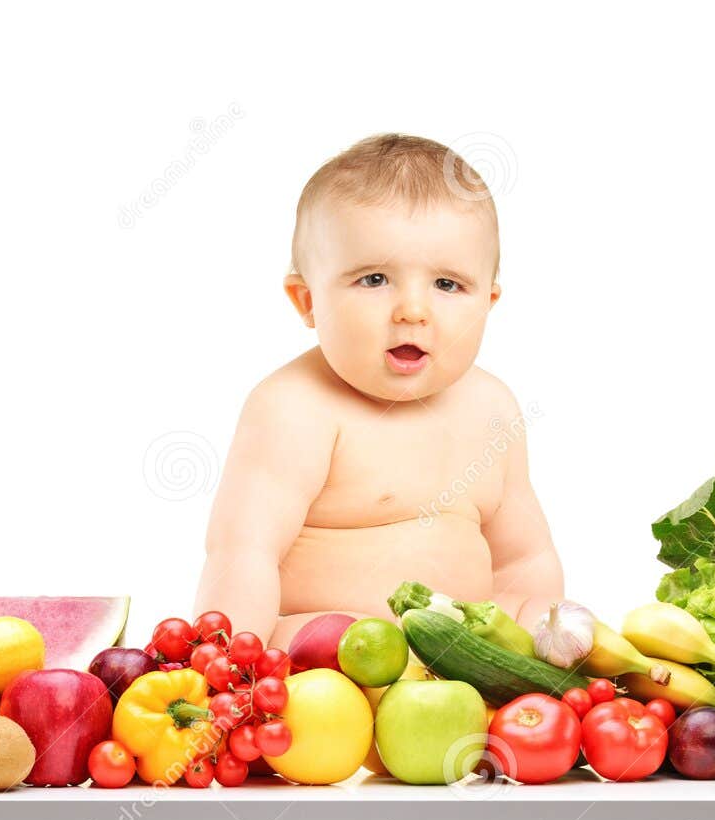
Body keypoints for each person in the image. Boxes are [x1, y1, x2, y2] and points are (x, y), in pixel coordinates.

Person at [193, 133, 563, 648]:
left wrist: (536, 641)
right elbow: (242, 553)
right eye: (373, 279)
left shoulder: (492, 408)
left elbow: (525, 558)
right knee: (328, 636)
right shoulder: (294, 408)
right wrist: (230, 671)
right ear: (307, 301)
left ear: (488, 301)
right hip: (330, 668)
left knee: (542, 613)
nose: (412, 309)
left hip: (462, 663)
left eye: (448, 285)